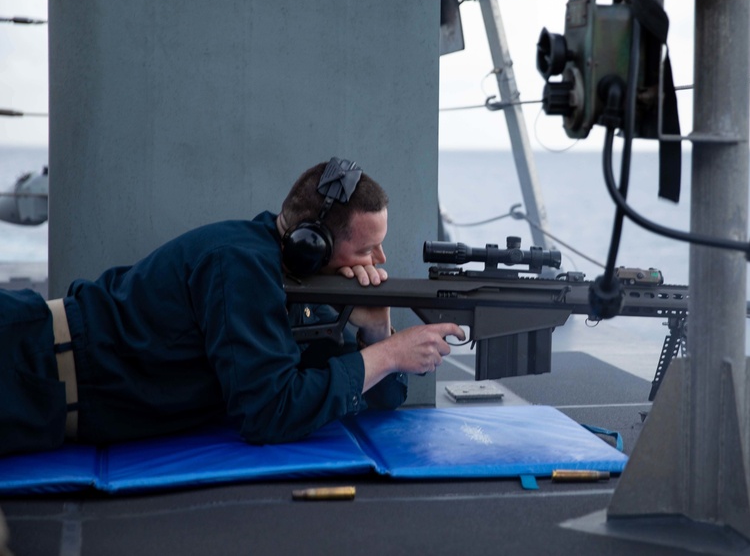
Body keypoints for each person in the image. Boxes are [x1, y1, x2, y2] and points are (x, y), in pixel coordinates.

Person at [0, 157, 464, 456]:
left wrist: (377, 335)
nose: (380, 261)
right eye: (368, 249)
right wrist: (388, 356)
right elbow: (269, 413)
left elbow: (380, 399)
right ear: (310, 243)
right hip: (24, 360)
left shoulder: (300, 283)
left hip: (44, 403)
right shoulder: (240, 264)